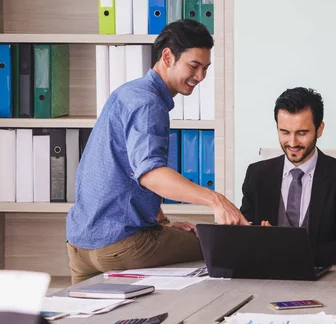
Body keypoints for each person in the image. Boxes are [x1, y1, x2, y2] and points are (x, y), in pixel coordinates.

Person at [65, 19, 248, 284]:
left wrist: (159, 221)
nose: (200, 77)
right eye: (194, 66)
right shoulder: (149, 104)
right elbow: (149, 174)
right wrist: (216, 201)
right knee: (220, 244)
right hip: (119, 245)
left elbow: (115, 168)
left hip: (79, 244)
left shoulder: (127, 93)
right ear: (167, 56)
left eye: (206, 68)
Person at [240, 87, 336, 267]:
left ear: (319, 129)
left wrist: (296, 253)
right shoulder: (257, 175)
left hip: (324, 284)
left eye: (301, 133)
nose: (292, 143)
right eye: (284, 132)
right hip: (267, 280)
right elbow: (243, 236)